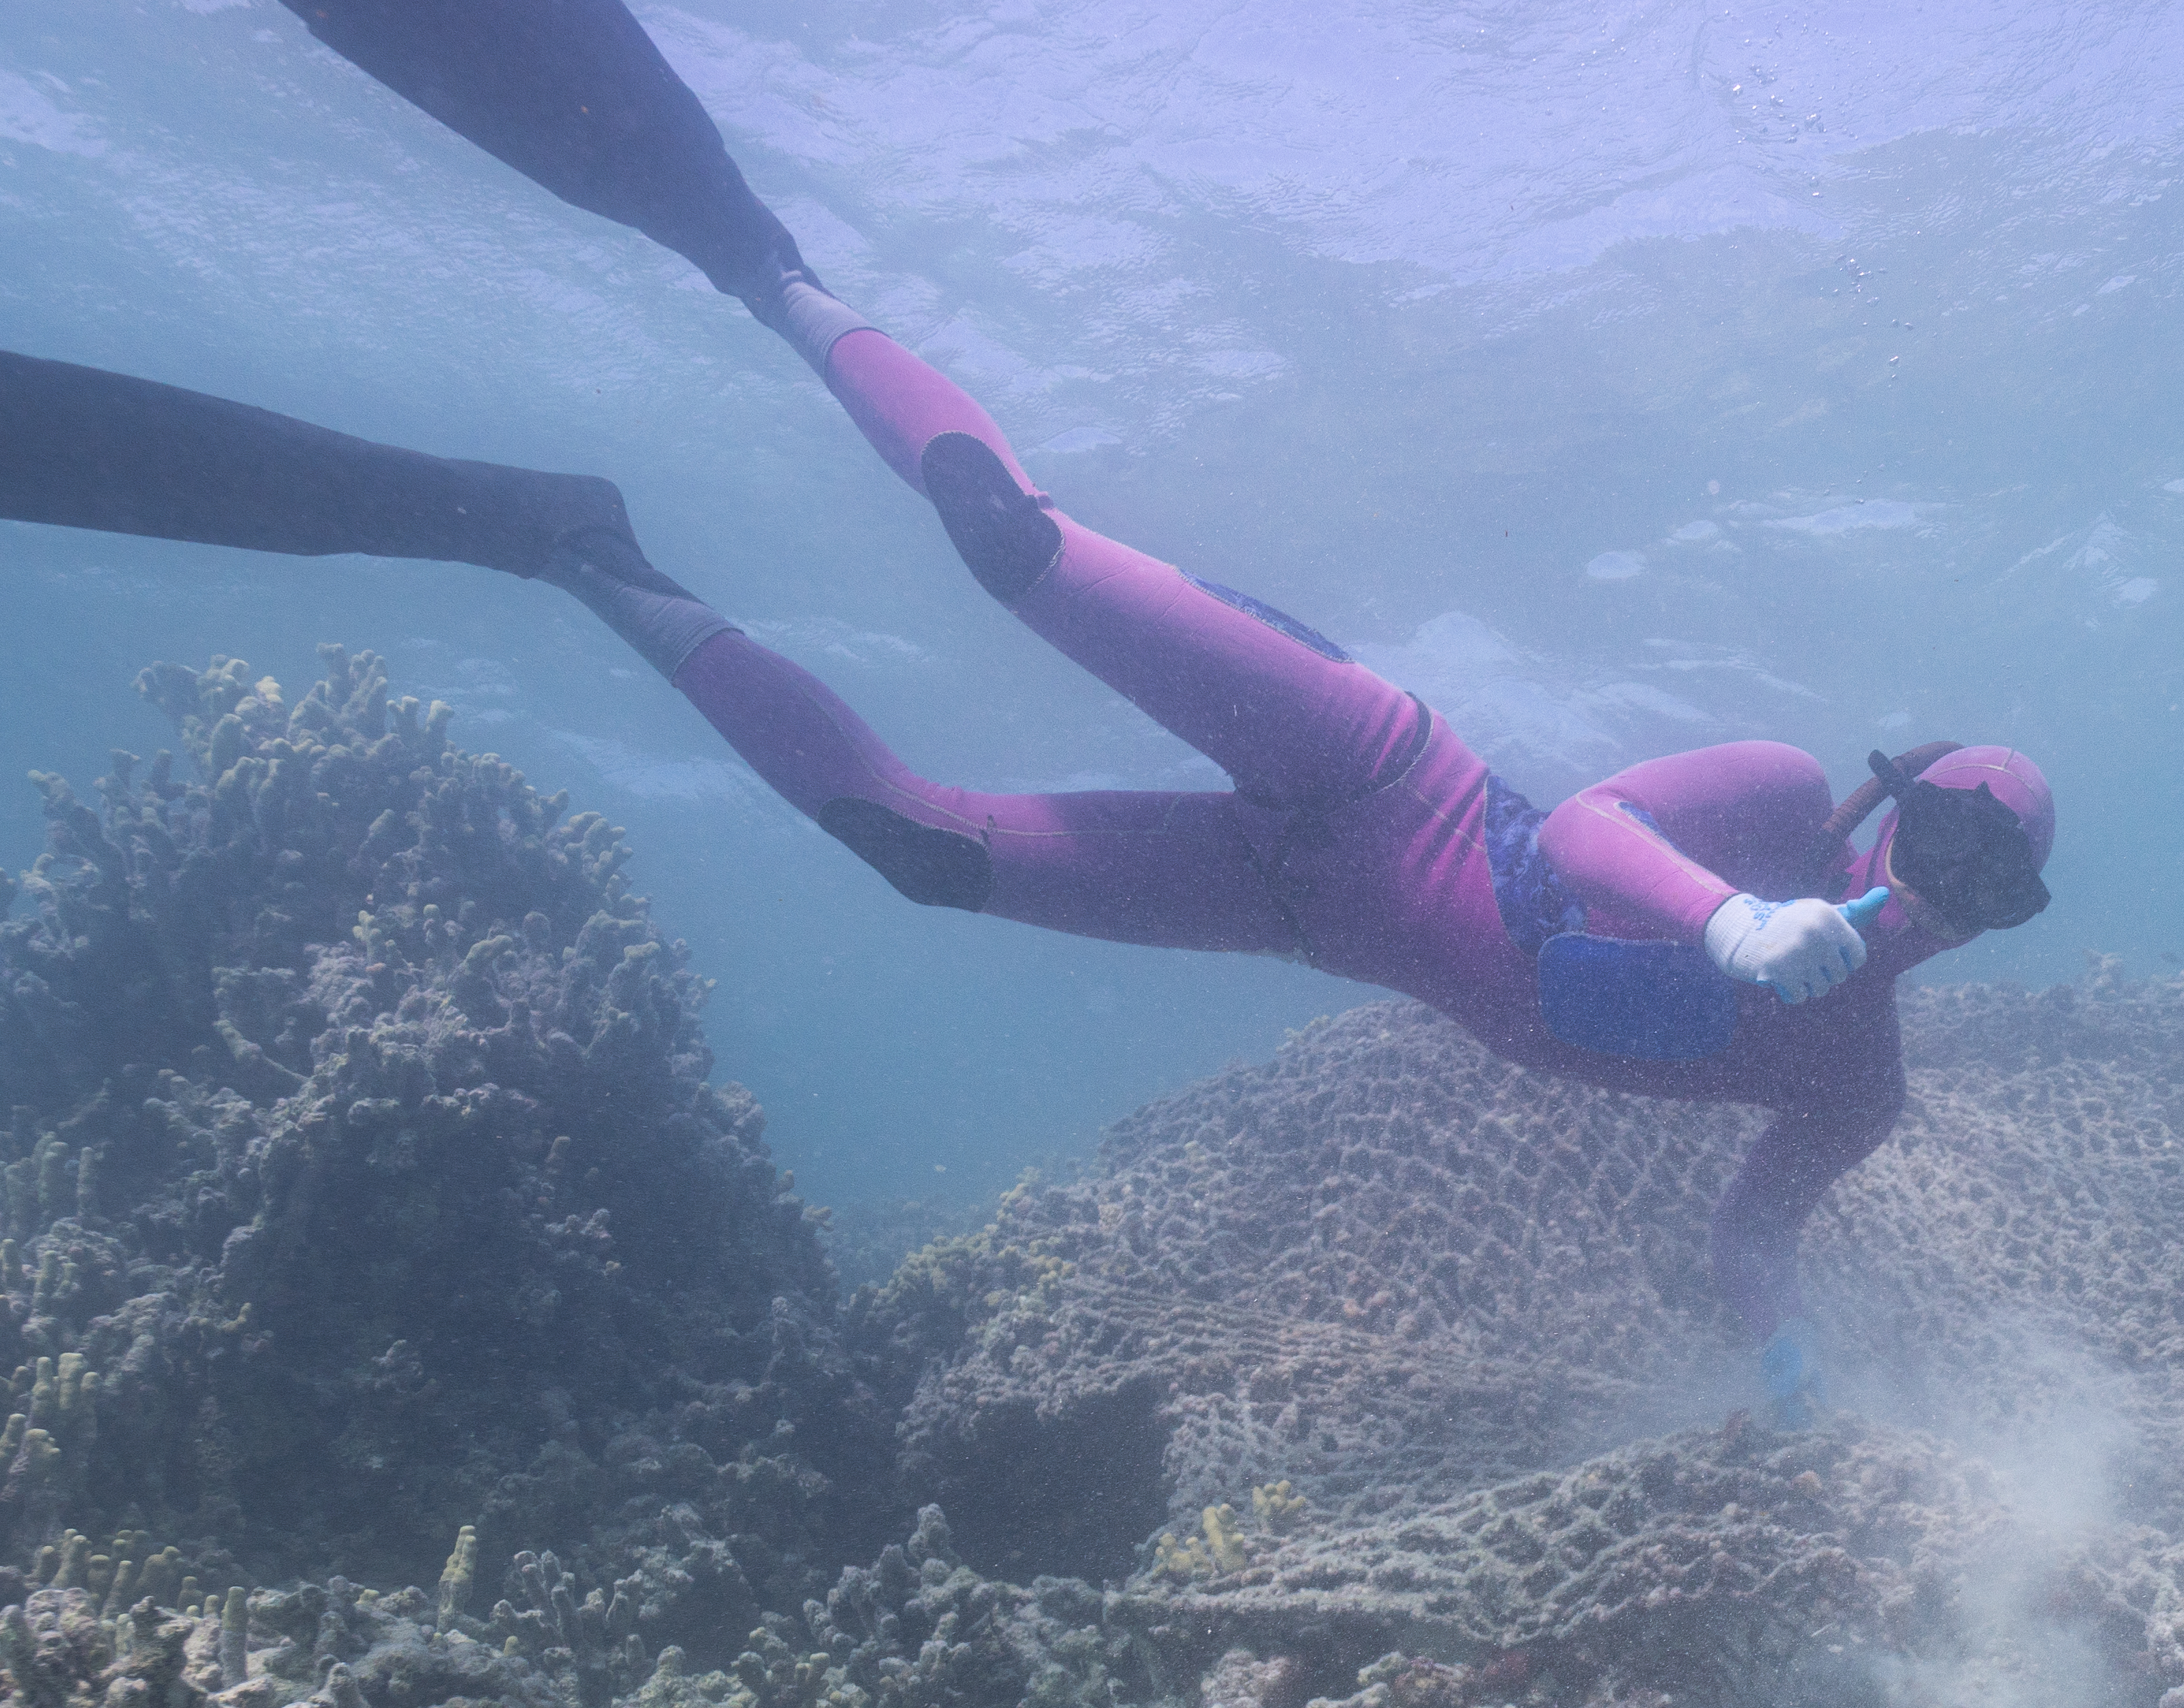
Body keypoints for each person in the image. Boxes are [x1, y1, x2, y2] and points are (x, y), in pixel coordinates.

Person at [542, 276, 2053, 1405]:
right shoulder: (1782, 799)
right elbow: (1589, 827)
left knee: (919, 849)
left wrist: (1780, 1347)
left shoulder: (1855, 1089)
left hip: (1299, 913)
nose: (1944, 883)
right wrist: (1730, 920)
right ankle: (774, 277)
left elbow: (1754, 1231)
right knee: (1016, 545)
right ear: (1894, 804)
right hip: (1389, 776)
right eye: (1939, 831)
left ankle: (596, 560)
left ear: (2005, 919)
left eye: (1995, 881)